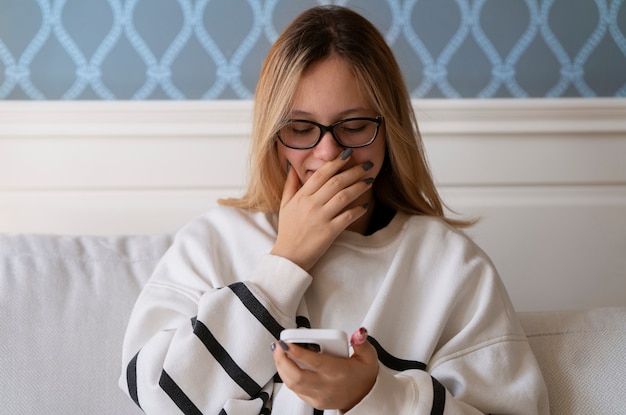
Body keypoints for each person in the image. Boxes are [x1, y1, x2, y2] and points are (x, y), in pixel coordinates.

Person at [120, 5, 549, 414]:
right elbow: (156, 395)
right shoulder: (214, 241)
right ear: (273, 135)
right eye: (301, 128)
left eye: (355, 126)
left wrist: (375, 395)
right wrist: (285, 263)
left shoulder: (452, 266)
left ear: (389, 131)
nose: (328, 152)